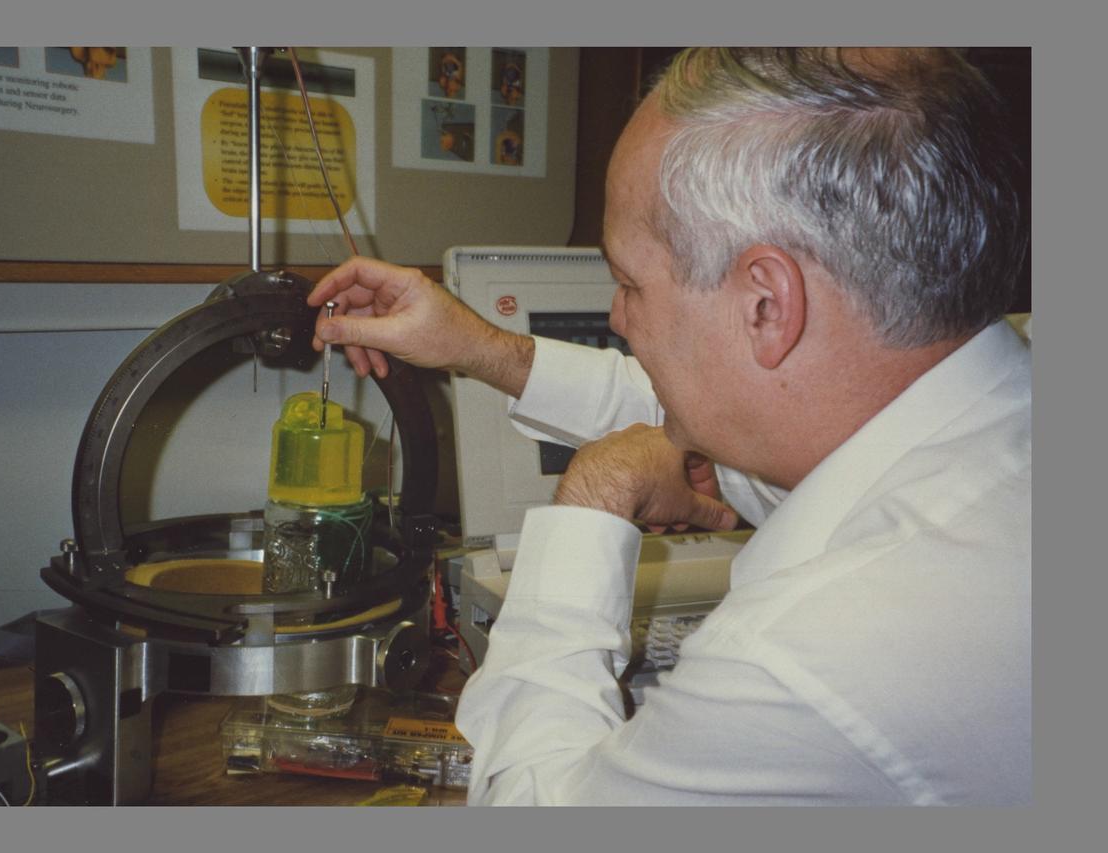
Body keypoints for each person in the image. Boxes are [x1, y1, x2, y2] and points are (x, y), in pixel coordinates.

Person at [308, 47, 1030, 805]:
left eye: (628, 283)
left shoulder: (805, 653)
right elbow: (728, 392)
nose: (618, 318)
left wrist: (590, 500)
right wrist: (480, 349)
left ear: (765, 304)